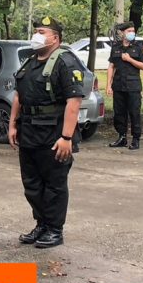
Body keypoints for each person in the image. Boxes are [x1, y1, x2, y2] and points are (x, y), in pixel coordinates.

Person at [8, 17, 86, 249]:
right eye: (36, 31)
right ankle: (41, 224)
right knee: (32, 184)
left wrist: (67, 137)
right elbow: (18, 96)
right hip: (29, 132)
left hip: (54, 134)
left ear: (55, 37)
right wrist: (12, 125)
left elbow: (74, 101)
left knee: (54, 184)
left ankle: (54, 229)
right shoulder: (30, 62)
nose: (36, 35)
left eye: (42, 32)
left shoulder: (66, 61)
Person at [106, 21, 143, 150]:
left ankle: (136, 139)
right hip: (118, 85)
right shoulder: (116, 47)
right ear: (122, 33)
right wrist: (108, 85)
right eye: (129, 31)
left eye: (133, 31)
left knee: (134, 113)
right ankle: (122, 137)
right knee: (119, 113)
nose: (131, 33)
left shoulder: (138, 47)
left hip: (133, 86)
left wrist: (130, 59)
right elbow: (111, 66)